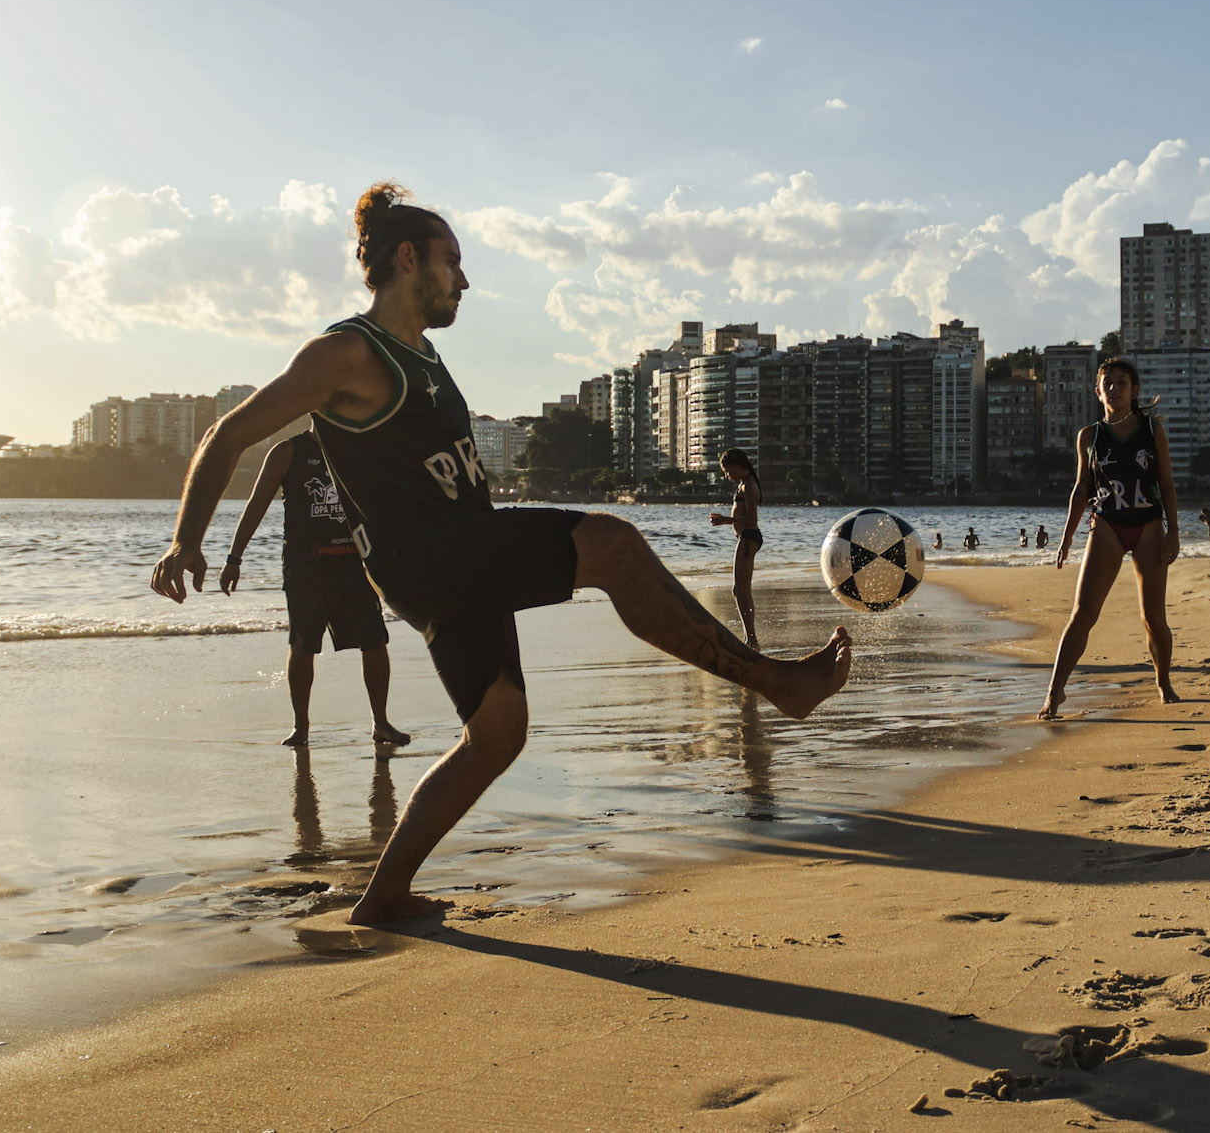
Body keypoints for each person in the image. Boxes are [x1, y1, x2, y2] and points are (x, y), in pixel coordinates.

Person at [150, 183, 852, 926]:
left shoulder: (424, 356)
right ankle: (777, 683)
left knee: (496, 736)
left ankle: (382, 897)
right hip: (432, 555)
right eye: (454, 262)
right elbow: (226, 434)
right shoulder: (347, 352)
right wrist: (186, 539)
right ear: (409, 257)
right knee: (611, 545)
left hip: (455, 559)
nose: (465, 280)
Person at [221, 427, 410, 748]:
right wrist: (234, 558)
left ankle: (381, 723)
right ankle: (301, 728)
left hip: (355, 567)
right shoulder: (287, 452)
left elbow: (388, 504)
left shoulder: (362, 449)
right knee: (302, 646)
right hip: (305, 569)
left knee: (375, 642)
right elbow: (256, 504)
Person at [1040, 358, 1181, 719]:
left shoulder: (1152, 431)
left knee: (1153, 618)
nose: (1115, 388)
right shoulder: (1090, 436)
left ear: (1135, 390)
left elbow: (1166, 484)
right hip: (1105, 526)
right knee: (1083, 612)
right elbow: (1081, 489)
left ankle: (1163, 681)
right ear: (1098, 390)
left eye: (1122, 382)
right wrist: (1067, 537)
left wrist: (1174, 533)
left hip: (1149, 526)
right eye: (1108, 382)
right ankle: (1054, 693)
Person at [708, 447, 763, 649]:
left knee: (741, 591)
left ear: (739, 465)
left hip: (749, 537)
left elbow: (752, 519)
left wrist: (726, 519)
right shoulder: (744, 483)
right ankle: (750, 638)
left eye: (728, 470)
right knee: (740, 590)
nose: (727, 475)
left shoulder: (748, 485)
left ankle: (751, 639)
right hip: (747, 537)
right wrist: (724, 521)